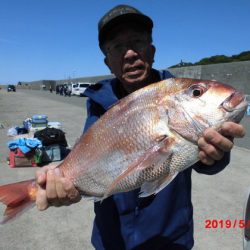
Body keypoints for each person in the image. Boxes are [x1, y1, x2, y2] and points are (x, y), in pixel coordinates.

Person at [36, 5, 245, 250]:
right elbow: (90, 162)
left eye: (137, 41)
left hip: (169, 239)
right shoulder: (97, 103)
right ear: (108, 62)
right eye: (117, 47)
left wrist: (215, 156)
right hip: (110, 239)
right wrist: (64, 182)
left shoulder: (173, 91)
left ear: (152, 50)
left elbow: (202, 160)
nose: (130, 53)